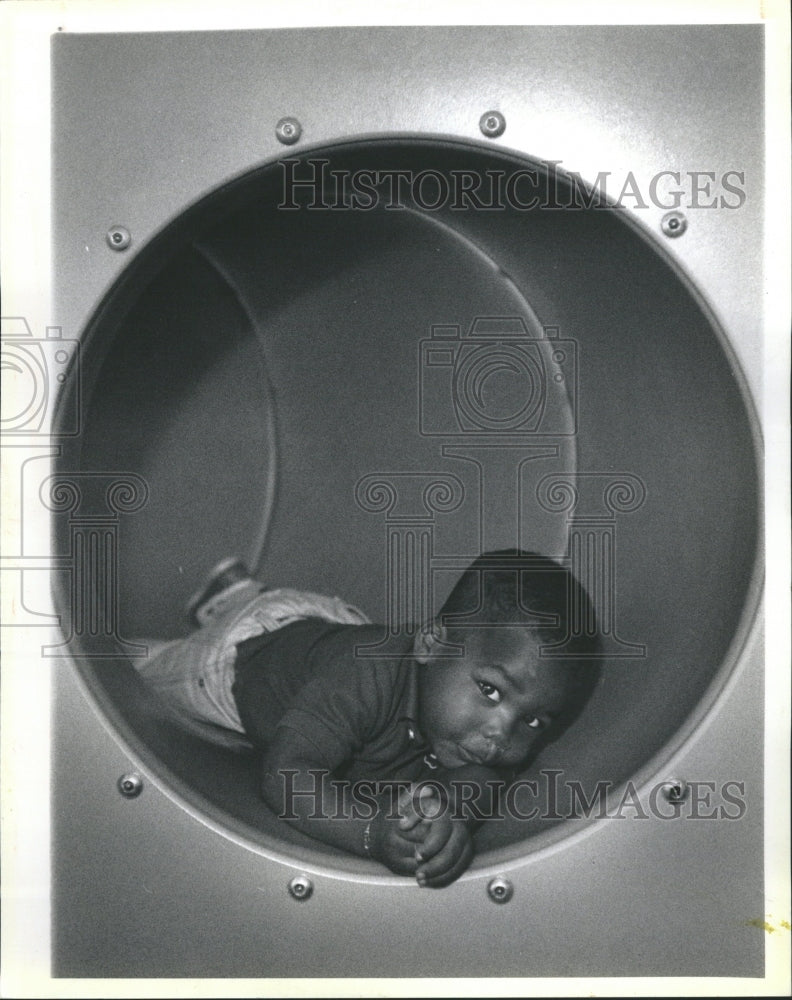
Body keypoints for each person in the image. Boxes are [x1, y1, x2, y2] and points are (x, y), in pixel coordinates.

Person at [134, 550, 601, 887]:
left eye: (535, 721)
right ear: (430, 645)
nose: (502, 734)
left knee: (326, 646)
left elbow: (483, 782)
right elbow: (285, 775)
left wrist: (445, 821)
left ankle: (234, 592)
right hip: (246, 656)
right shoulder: (365, 678)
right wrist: (370, 833)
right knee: (136, 681)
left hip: (334, 627)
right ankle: (212, 617)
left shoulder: (474, 730)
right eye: (490, 690)